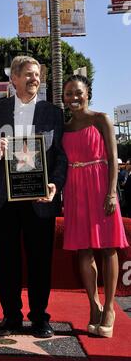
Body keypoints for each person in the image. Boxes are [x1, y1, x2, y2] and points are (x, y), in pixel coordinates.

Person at [0, 56, 67, 338]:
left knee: (40, 261)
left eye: (37, 75)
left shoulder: (53, 113)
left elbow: (60, 156)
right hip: (2, 199)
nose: (35, 79)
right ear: (14, 79)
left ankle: (40, 318)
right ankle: (10, 317)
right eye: (29, 75)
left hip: (39, 200)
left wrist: (55, 184)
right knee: (6, 260)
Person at [62, 75, 129, 338]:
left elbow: (113, 159)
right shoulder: (64, 128)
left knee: (108, 247)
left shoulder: (102, 119)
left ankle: (110, 308)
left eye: (77, 92)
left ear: (87, 93)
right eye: (68, 94)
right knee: (84, 250)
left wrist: (112, 193)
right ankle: (94, 305)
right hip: (75, 190)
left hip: (101, 187)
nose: (73, 98)